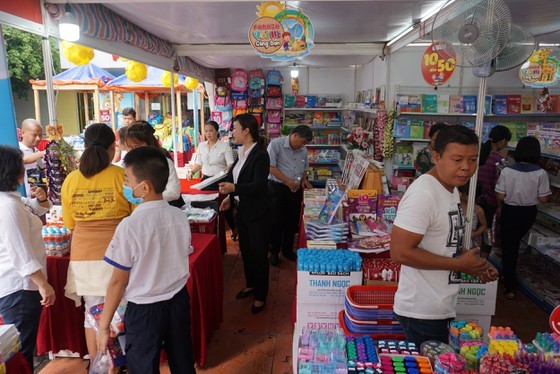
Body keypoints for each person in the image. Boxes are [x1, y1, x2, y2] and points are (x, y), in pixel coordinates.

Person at [390, 125, 498, 346]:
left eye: (473, 159)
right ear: (436, 157)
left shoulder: (452, 189)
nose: (466, 168)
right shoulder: (423, 194)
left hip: (441, 305)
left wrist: (475, 263)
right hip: (421, 312)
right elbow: (400, 253)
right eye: (457, 160)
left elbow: (446, 242)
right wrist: (459, 265)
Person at [97, 146, 195, 373]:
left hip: (145, 310)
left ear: (145, 187)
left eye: (128, 180)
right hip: (178, 300)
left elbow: (117, 282)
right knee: (182, 361)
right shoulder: (179, 216)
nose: (126, 186)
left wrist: (104, 326)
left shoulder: (130, 226)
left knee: (143, 366)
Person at [62, 123, 133, 364]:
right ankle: (119, 365)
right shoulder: (122, 176)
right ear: (113, 148)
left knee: (91, 315)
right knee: (120, 311)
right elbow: (136, 218)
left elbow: (70, 223)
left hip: (83, 258)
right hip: (117, 256)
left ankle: (98, 365)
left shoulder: (71, 180)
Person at [0, 145, 55, 370]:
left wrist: (41, 199)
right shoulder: (7, 206)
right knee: (19, 353)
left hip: (21, 286)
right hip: (20, 286)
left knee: (21, 350)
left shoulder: (12, 201)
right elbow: (20, 252)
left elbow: (36, 209)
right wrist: (43, 284)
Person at [218, 114, 271, 314]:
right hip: (242, 210)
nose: (232, 132)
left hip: (258, 213)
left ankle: (261, 295)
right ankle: (251, 284)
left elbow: (258, 186)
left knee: (258, 254)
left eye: (235, 128)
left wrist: (235, 188)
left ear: (247, 131)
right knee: (246, 252)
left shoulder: (260, 155)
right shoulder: (241, 152)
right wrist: (229, 197)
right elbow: (236, 180)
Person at [496, 136, 551, 300]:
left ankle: (509, 286)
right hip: (528, 213)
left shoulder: (507, 171)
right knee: (515, 245)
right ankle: (510, 280)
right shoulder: (541, 173)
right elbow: (543, 199)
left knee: (509, 248)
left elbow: (500, 195)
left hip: (510, 211)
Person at [267, 125, 313, 265]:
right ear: (295, 135)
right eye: (303, 141)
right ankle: (273, 252)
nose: (303, 145)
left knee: (291, 222)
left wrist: (305, 180)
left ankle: (287, 250)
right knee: (276, 221)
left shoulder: (302, 149)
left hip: (295, 190)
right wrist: (287, 181)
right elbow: (271, 167)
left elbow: (305, 168)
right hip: (277, 188)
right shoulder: (276, 144)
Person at [188, 120, 236, 238]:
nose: (208, 133)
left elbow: (231, 164)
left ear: (217, 132)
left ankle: (233, 228)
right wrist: (191, 172)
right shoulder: (201, 146)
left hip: (221, 180)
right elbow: (198, 164)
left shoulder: (224, 146)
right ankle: (208, 230)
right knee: (205, 206)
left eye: (211, 131)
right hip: (206, 180)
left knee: (225, 207)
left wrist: (227, 169)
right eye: (206, 131)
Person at [120, 121, 183, 207]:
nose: (133, 150)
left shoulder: (163, 162)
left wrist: (147, 199)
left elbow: (174, 192)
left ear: (149, 144)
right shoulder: (125, 165)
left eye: (137, 146)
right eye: (130, 147)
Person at [477, 125, 512, 256]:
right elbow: (501, 188)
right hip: (491, 203)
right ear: (503, 141)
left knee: (474, 233)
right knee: (488, 234)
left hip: (474, 201)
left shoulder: (479, 154)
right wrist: (500, 207)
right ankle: (483, 264)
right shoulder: (499, 161)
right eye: (507, 141)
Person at [19, 118, 45, 197]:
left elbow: (41, 167)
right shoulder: (17, 149)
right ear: (22, 133)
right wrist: (45, 152)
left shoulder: (36, 151)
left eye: (40, 135)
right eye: (34, 135)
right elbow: (23, 159)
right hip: (24, 197)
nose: (38, 138)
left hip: (37, 197)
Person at [458, 183, 487, 249]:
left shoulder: (478, 210)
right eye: (460, 191)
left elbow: (484, 225)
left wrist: (474, 233)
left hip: (470, 242)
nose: (461, 194)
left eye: (464, 193)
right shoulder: (455, 205)